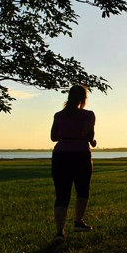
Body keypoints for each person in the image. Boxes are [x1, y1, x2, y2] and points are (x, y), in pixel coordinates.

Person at [50, 84, 97, 243]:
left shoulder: (58, 115)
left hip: (61, 154)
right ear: (84, 99)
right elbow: (89, 135)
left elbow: (53, 137)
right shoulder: (89, 115)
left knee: (62, 193)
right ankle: (78, 222)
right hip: (81, 154)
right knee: (83, 189)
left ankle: (59, 231)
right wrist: (92, 141)